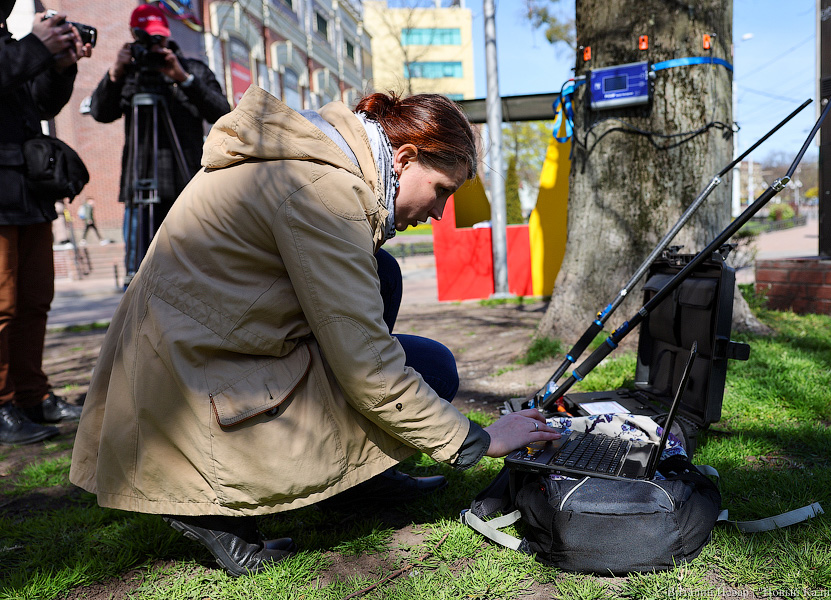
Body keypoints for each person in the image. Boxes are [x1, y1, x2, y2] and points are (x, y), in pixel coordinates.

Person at [70, 85, 561, 577]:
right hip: (190, 395)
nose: (438, 214)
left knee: (381, 271)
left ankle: (362, 481)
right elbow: (369, 368)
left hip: (196, 361)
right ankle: (207, 506)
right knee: (432, 368)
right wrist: (476, 440)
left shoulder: (318, 162)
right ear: (406, 157)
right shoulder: (325, 192)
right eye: (441, 192)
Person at [0, 2, 92, 445]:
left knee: (34, 300)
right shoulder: (15, 49)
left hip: (26, 191)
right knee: (2, 304)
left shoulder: (9, 44)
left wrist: (58, 65)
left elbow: (41, 102)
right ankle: (2, 405)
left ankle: (32, 397)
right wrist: (35, 46)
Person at [89, 3, 229, 283]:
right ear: (133, 35)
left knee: (195, 272)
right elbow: (100, 113)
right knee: (141, 277)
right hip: (139, 182)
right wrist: (115, 73)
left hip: (185, 183)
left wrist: (184, 79)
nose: (155, 48)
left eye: (159, 39)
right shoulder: (128, 73)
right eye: (147, 39)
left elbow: (223, 113)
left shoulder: (193, 70)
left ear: (167, 36)